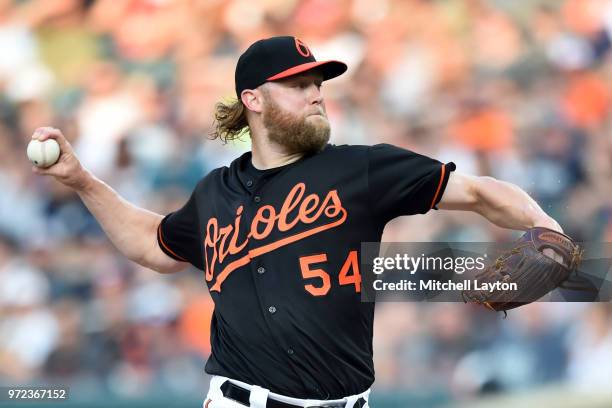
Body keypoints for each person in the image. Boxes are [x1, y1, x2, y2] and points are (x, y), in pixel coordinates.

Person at [32, 36, 564, 408]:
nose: (315, 93)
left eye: (318, 83)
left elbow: (478, 192)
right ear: (253, 99)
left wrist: (548, 226)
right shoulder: (213, 193)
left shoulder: (361, 168)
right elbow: (155, 245)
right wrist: (82, 180)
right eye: (298, 83)